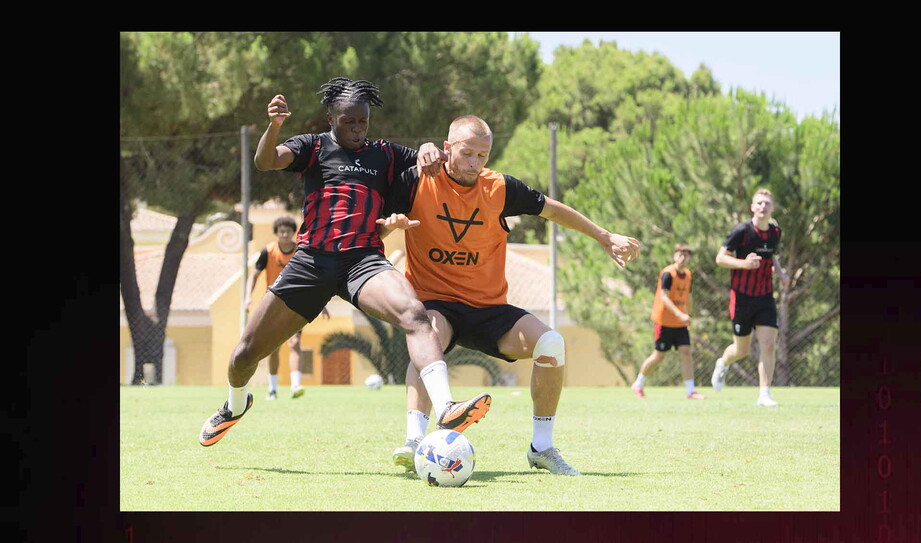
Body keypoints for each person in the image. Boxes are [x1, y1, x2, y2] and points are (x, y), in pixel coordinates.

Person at [199, 78, 492, 447]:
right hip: (312, 263)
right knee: (243, 355)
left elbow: (427, 158)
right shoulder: (312, 147)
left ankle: (446, 405)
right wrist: (274, 127)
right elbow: (266, 161)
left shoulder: (384, 154)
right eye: (348, 121)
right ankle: (235, 406)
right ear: (330, 118)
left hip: (363, 261)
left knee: (415, 314)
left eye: (363, 122)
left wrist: (429, 147)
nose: (357, 129)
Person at [380, 115, 640, 475]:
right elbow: (373, 225)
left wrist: (604, 236)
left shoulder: (500, 188)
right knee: (427, 332)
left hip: (489, 308)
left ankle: (542, 447)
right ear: (447, 147)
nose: (473, 163)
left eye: (482, 155)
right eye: (467, 152)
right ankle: (413, 441)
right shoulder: (416, 181)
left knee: (551, 344)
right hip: (436, 302)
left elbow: (552, 209)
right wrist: (385, 230)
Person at [710, 188, 791, 407]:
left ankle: (764, 394)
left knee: (768, 345)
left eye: (767, 203)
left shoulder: (775, 232)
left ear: (772, 207)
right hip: (742, 298)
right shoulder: (742, 231)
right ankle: (723, 362)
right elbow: (720, 258)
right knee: (741, 350)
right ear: (752, 207)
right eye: (759, 203)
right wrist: (744, 264)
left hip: (765, 297)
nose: (763, 206)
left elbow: (771, 255)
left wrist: (780, 273)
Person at [245, 215, 330, 400]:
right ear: (276, 233)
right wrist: (247, 298)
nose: (284, 234)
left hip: (297, 303)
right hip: (273, 304)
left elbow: (314, 277)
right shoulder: (268, 252)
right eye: (281, 231)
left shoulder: (301, 251)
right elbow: (254, 275)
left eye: (288, 231)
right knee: (272, 348)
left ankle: (295, 386)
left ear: (293, 233)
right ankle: (272, 389)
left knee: (294, 343)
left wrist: (321, 303)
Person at [631, 243, 704, 400]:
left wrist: (688, 315)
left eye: (686, 255)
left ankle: (690, 391)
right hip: (664, 322)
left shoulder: (688, 275)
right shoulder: (668, 274)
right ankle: (638, 383)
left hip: (680, 323)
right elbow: (664, 297)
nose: (683, 258)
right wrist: (679, 314)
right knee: (659, 356)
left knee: (686, 353)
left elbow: (688, 297)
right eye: (680, 254)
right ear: (674, 256)